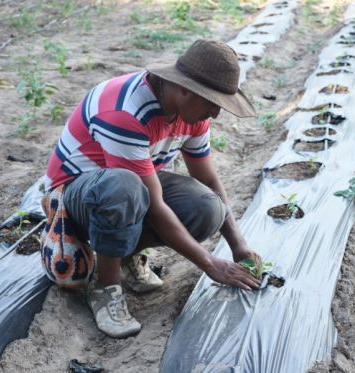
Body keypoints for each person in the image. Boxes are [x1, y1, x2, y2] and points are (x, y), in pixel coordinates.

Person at [40, 39, 262, 339]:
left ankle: (124, 252)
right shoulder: (126, 111)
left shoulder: (191, 114)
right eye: (212, 103)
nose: (215, 114)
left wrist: (238, 244)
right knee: (124, 186)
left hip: (133, 189)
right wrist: (209, 263)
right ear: (185, 89)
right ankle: (106, 286)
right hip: (74, 197)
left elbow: (208, 179)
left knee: (208, 208)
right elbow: (154, 205)